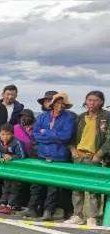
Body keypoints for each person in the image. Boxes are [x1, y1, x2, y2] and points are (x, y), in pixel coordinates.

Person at [24, 92, 77, 220]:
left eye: (63, 103)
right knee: (37, 183)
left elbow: (66, 137)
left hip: (59, 156)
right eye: (58, 103)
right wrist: (53, 135)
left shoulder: (69, 118)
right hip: (42, 154)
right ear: (53, 104)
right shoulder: (43, 117)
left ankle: (49, 211)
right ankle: (33, 208)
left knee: (53, 186)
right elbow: (36, 134)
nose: (60, 105)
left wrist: (46, 132)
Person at [66, 91, 107, 226]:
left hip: (94, 157)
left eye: (95, 100)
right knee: (76, 187)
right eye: (89, 100)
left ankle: (92, 217)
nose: (92, 103)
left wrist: (99, 154)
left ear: (101, 102)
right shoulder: (81, 117)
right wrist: (72, 150)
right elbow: (71, 137)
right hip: (79, 156)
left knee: (92, 188)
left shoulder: (106, 117)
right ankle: (77, 215)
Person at [0, 124, 26, 214]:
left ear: (12, 134)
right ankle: (2, 204)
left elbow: (22, 155)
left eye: (8, 134)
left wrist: (11, 157)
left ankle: (11, 205)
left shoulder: (17, 143)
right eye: (3, 134)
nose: (5, 137)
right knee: (5, 186)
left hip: (17, 170)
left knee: (14, 187)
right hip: (6, 169)